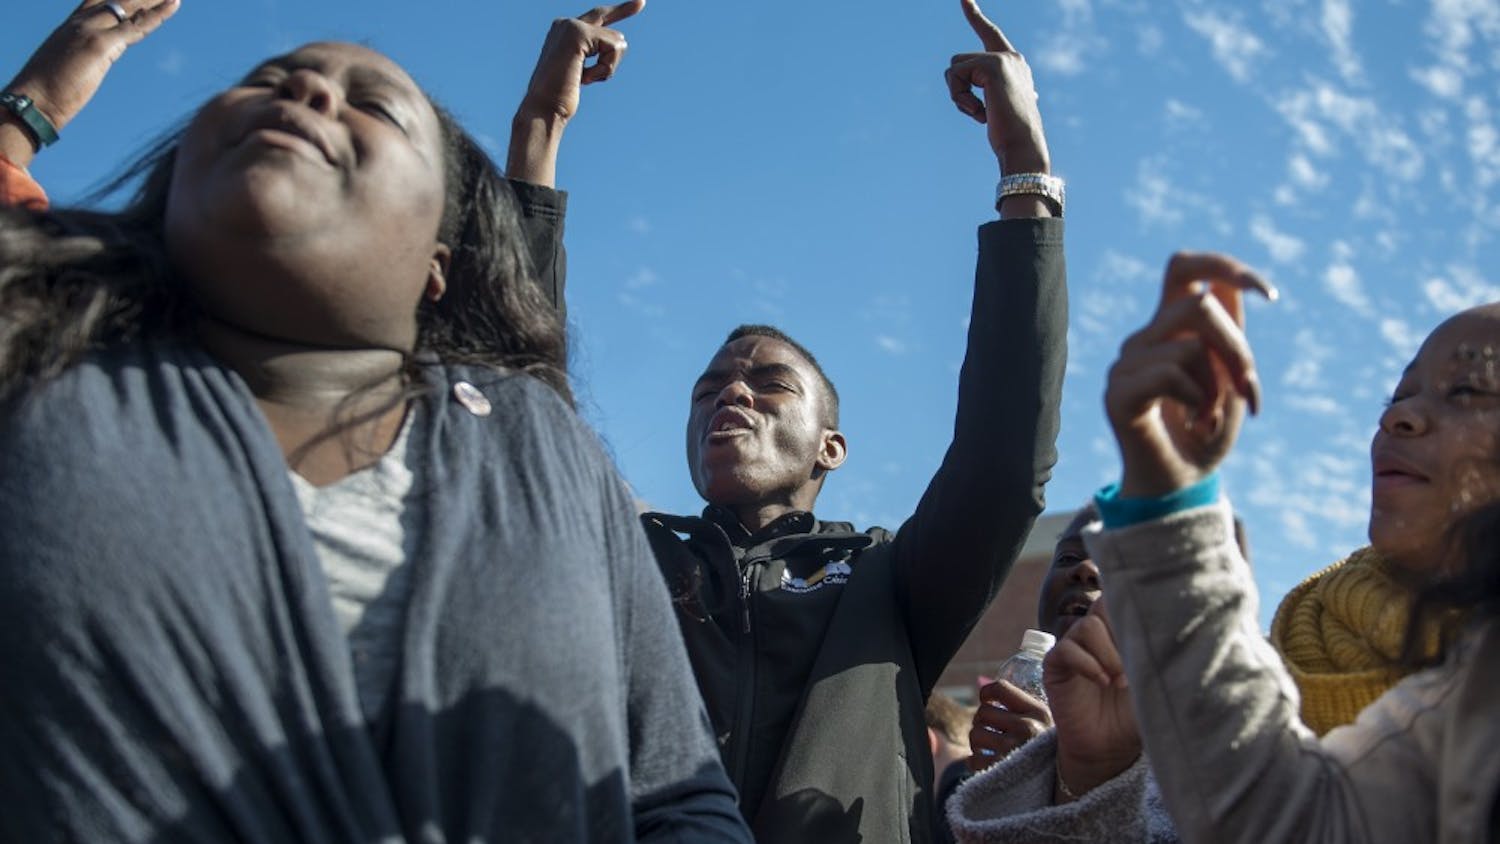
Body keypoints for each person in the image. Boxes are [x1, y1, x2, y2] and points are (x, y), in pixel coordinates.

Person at [0, 2, 751, 841]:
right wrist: (24, 112)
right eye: (267, 82)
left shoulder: (537, 441)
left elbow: (677, 795)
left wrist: (539, 129)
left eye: (374, 106)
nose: (310, 93)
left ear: (438, 264)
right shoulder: (42, 360)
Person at [635, 1, 1068, 840]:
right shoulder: (634, 556)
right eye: (710, 387)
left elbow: (1004, 459)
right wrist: (534, 146)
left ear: (831, 448)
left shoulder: (887, 582)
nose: (731, 394)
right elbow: (520, 419)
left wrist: (1025, 169)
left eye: (769, 383)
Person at [955, 253, 1500, 842]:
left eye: (1467, 390)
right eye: (1397, 397)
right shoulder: (1297, 651)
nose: (1404, 417)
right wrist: (1087, 778)